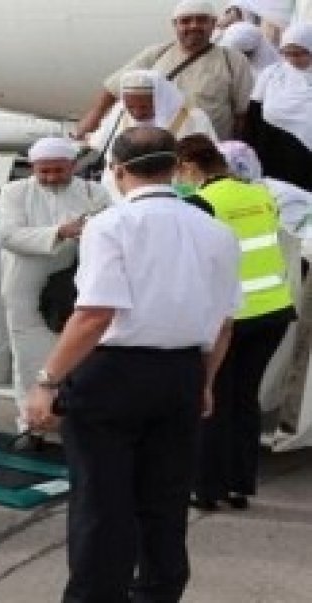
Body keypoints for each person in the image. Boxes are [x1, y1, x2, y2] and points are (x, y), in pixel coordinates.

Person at [24, 126, 241, 602]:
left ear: (118, 171)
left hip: (114, 375)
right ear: (176, 168)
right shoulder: (217, 231)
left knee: (102, 505)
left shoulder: (112, 224)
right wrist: (204, 383)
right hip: (182, 373)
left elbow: (95, 313)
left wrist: (47, 381)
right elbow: (224, 323)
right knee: (164, 504)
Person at [175, 134, 296, 510]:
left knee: (212, 401)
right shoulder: (259, 195)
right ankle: (239, 485)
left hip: (231, 315)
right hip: (273, 311)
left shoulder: (201, 202)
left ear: (191, 167)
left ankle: (205, 489)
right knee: (245, 400)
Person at [0, 137, 111, 450]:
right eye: (44, 172)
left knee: (79, 351)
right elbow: (8, 235)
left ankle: (72, 422)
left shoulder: (93, 192)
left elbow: (109, 229)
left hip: (76, 283)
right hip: (26, 285)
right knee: (29, 354)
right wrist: (60, 232)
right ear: (33, 168)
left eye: (58, 171)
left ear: (73, 166)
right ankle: (32, 425)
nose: (51, 178)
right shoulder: (14, 192)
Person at [75, 0, 254, 141]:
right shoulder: (156, 54)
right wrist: (90, 122)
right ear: (175, 25)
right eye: (185, 21)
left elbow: (241, 115)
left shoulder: (233, 61)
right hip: (158, 147)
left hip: (205, 152)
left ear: (213, 23)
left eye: (201, 20)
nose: (193, 26)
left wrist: (233, 150)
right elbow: (114, 88)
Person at [86, 69, 217, 200]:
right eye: (130, 107)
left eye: (144, 107)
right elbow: (98, 143)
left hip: (176, 196)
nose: (137, 113)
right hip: (120, 197)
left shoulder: (193, 118)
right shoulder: (119, 113)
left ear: (160, 99)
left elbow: (209, 160)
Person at [244, 22, 312, 193]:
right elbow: (254, 115)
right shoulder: (272, 74)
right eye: (287, 53)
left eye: (300, 53)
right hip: (273, 152)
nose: (293, 59)